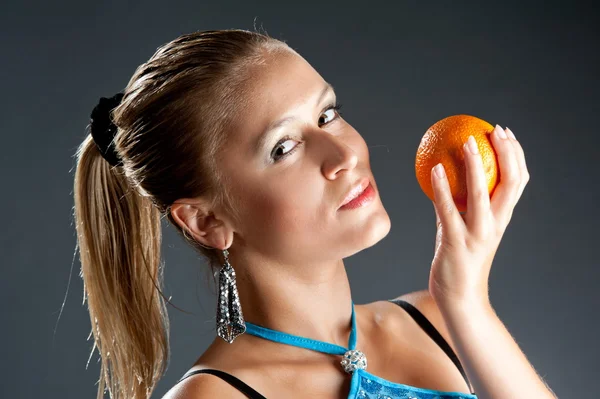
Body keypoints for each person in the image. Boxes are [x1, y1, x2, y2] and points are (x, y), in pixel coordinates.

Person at [74, 29, 554, 399]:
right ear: (206, 221)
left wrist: (467, 299)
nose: (342, 153)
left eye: (327, 115)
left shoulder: (441, 319)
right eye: (284, 147)